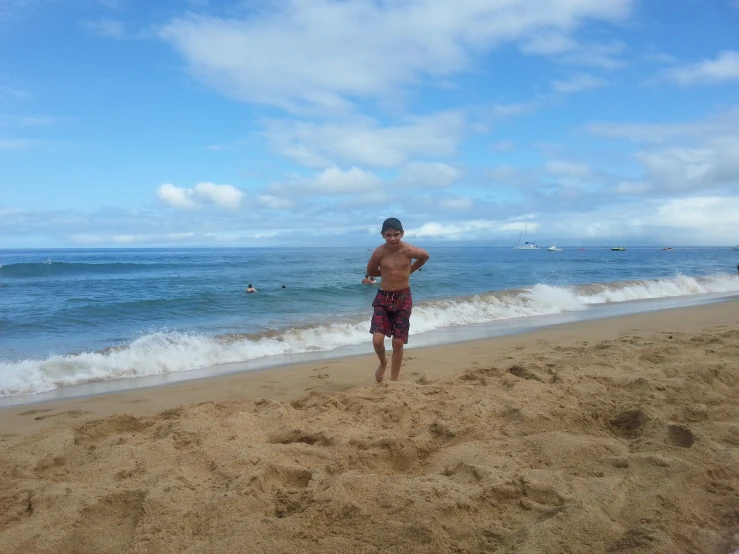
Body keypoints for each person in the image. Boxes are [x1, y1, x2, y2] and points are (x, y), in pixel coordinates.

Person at [366, 217, 429, 382]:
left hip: (403, 298)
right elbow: (371, 270)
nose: (392, 238)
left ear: (402, 233)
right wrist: (386, 273)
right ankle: (383, 362)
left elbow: (425, 256)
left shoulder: (408, 250)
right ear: (382, 235)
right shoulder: (379, 252)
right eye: (388, 235)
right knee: (377, 340)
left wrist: (410, 270)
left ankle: (394, 381)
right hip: (383, 298)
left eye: (396, 234)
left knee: (398, 343)